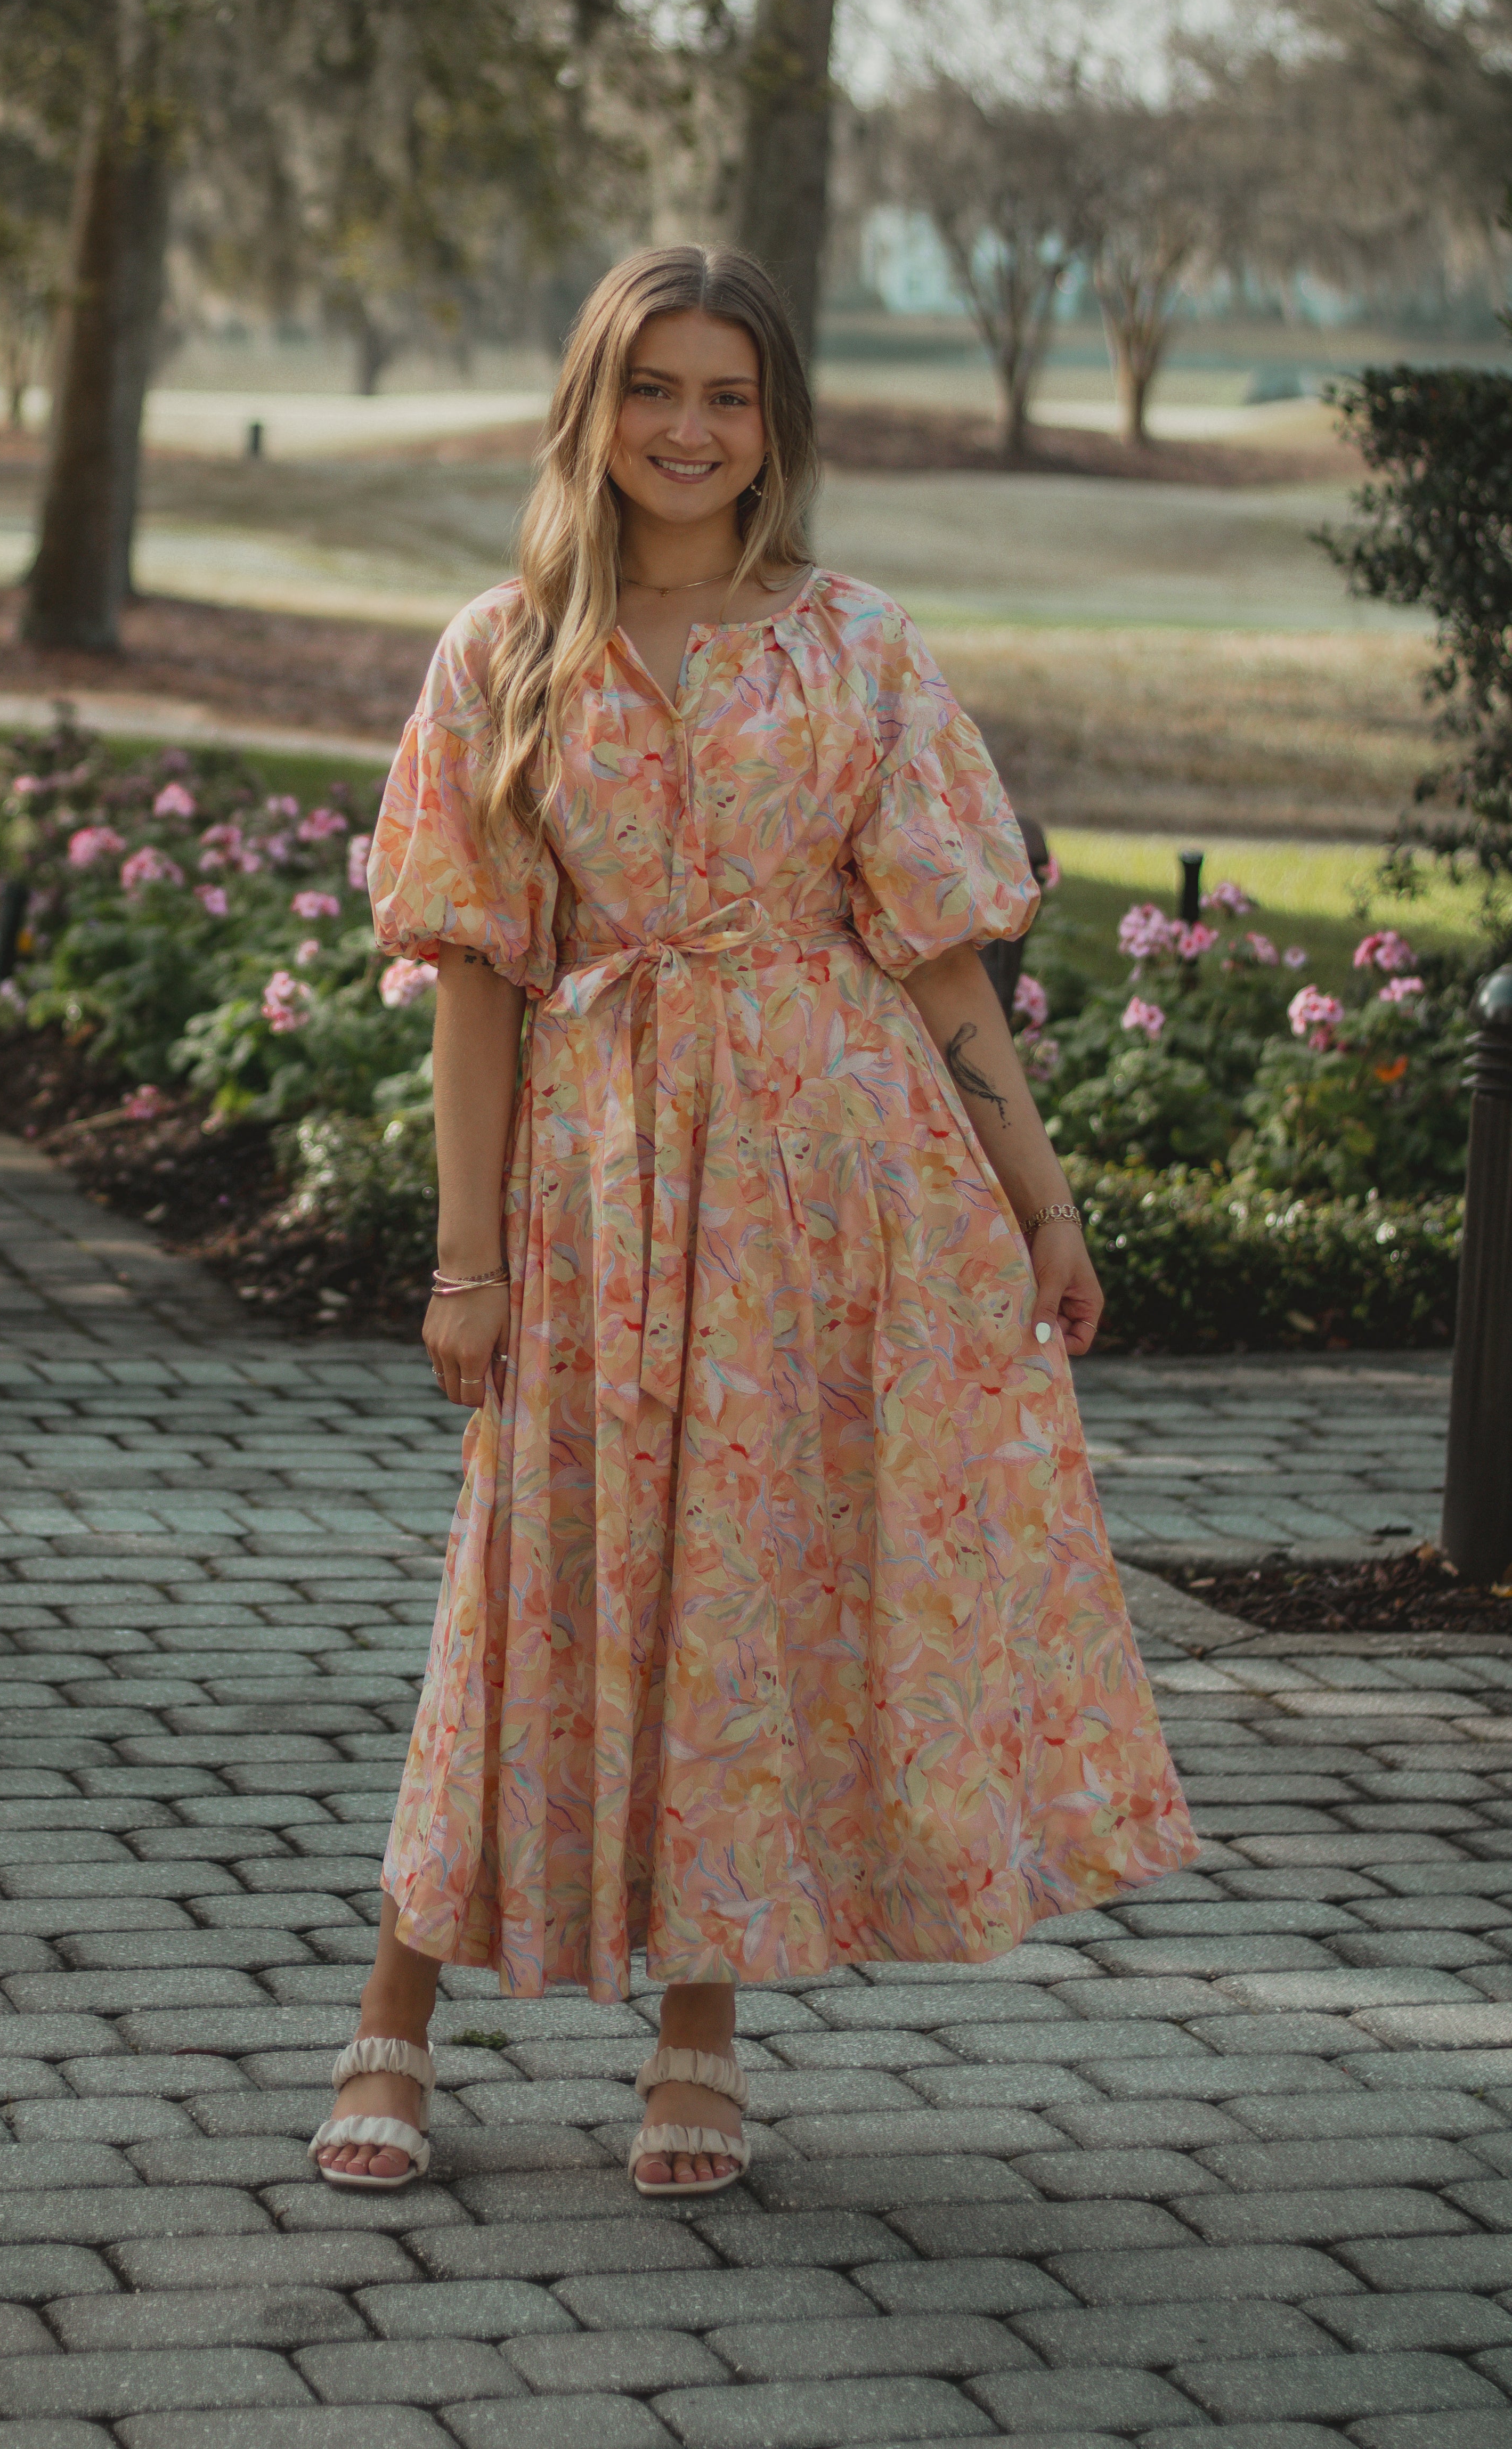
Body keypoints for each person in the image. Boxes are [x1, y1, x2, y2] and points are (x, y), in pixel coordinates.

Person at [310, 245, 1196, 2199]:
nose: (689, 429)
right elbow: (474, 983)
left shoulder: (858, 645)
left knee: (746, 1596)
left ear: (776, 423)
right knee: (527, 1578)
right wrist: (466, 1263)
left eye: (727, 394)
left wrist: (1042, 1213)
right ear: (594, 408)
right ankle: (397, 2005)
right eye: (653, 388)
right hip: (598, 1177)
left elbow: (945, 966)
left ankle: (699, 2034)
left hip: (841, 1193)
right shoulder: (504, 652)